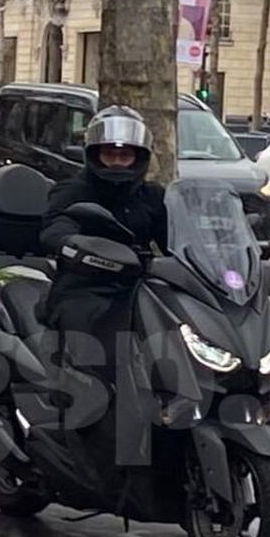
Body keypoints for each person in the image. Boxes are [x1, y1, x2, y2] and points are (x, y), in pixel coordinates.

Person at [39, 106, 167, 377]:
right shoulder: (73, 191)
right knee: (95, 348)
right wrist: (69, 241)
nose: (118, 162)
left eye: (125, 155)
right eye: (110, 155)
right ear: (95, 155)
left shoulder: (153, 196)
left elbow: (178, 237)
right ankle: (81, 406)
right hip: (86, 287)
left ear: (139, 157)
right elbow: (55, 227)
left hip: (141, 287)